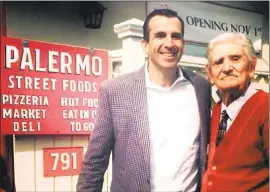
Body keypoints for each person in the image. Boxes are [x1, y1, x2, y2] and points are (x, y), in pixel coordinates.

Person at [77, 8, 212, 192]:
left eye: (176, 36)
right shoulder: (115, 91)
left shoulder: (200, 88)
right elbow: (95, 163)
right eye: (160, 35)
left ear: (183, 43)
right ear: (145, 45)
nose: (169, 43)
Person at [202, 33, 269, 192]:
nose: (226, 68)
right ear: (210, 74)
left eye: (235, 59)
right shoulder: (218, 110)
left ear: (252, 66)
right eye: (219, 62)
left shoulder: (265, 108)